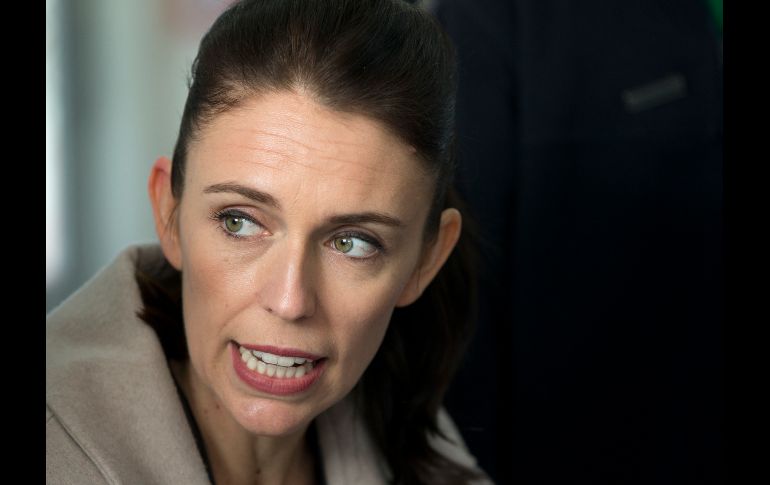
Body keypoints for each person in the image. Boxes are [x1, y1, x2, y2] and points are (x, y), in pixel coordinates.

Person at [46, 0, 492, 484]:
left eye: (353, 243)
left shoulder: (428, 459)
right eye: (239, 222)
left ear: (426, 260)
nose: (289, 301)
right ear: (169, 214)